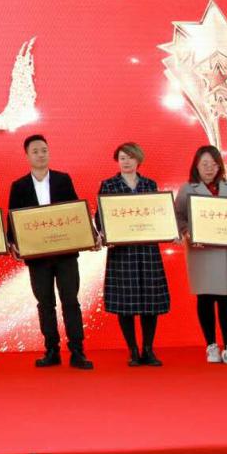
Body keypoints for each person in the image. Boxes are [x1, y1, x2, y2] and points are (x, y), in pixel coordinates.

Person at [7, 134, 93, 370]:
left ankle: (77, 351)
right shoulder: (19, 186)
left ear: (49, 152)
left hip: (65, 254)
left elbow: (75, 212)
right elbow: (12, 218)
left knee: (70, 301)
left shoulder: (63, 180)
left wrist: (88, 235)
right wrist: (12, 243)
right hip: (38, 257)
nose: (40, 154)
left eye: (44, 150)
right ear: (27, 156)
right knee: (45, 303)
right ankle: (51, 350)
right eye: (35, 151)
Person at [97, 142, 169, 367]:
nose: (126, 161)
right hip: (122, 251)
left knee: (150, 300)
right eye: (122, 158)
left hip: (147, 250)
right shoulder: (108, 185)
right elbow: (100, 217)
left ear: (138, 159)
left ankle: (148, 349)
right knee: (125, 302)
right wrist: (104, 234)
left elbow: (160, 215)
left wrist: (168, 230)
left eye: (130, 157)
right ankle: (133, 350)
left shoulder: (150, 184)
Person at [174, 145, 227, 366]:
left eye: (214, 164)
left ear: (219, 166)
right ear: (196, 166)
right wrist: (186, 231)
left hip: (226, 250)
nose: (209, 168)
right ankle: (211, 345)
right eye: (204, 164)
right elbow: (178, 216)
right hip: (201, 252)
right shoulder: (187, 189)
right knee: (205, 298)